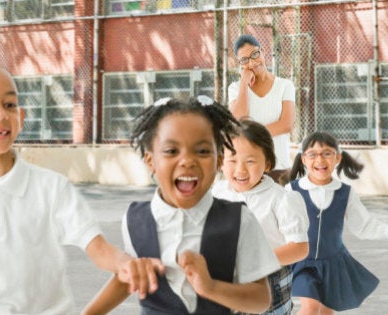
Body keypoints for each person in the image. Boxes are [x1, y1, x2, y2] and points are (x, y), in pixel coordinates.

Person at [0, 60, 160, 314]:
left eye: (9, 104)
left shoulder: (51, 188)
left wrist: (126, 264)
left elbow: (99, 249)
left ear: (21, 118)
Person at [82, 96, 281, 315]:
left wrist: (211, 288)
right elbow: (130, 277)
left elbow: (261, 299)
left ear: (218, 160)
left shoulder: (240, 220)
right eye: (171, 151)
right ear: (151, 161)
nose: (187, 160)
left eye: (203, 151)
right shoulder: (135, 219)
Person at [286, 131, 388, 315]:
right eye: (313, 154)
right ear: (304, 159)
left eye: (327, 153)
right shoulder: (292, 190)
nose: (320, 160)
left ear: (337, 157)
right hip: (302, 261)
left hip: (333, 263)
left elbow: (364, 226)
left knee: (326, 311)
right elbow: (279, 222)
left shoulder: (345, 192)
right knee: (310, 308)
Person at [212, 118, 310, 315]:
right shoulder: (216, 193)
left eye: (250, 161)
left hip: (268, 282)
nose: (240, 170)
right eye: (232, 160)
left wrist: (257, 260)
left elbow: (300, 248)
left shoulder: (281, 199)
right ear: (221, 162)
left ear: (267, 163)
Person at [228, 34, 296, 184]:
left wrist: (251, 136)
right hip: (248, 169)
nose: (252, 62)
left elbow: (286, 125)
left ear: (262, 51)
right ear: (240, 64)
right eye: (244, 60)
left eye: (255, 54)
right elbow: (239, 119)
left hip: (279, 167)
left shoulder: (285, 85)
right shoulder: (235, 89)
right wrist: (244, 84)